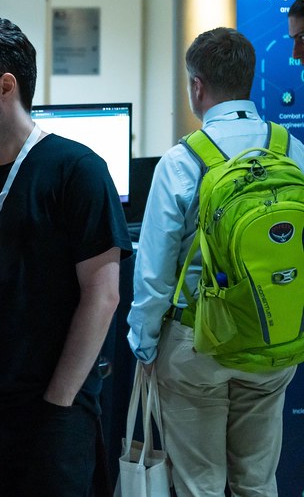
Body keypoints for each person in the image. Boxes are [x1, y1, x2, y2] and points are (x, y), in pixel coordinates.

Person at [0, 17, 129, 496]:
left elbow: (102, 296)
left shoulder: (77, 171)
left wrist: (57, 403)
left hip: (50, 414)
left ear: (5, 86)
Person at [127, 27, 303, 496]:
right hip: (273, 334)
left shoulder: (183, 160)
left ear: (197, 87)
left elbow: (155, 272)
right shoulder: (292, 150)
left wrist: (143, 343)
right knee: (258, 481)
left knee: (199, 483)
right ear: (250, 78)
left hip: (196, 343)